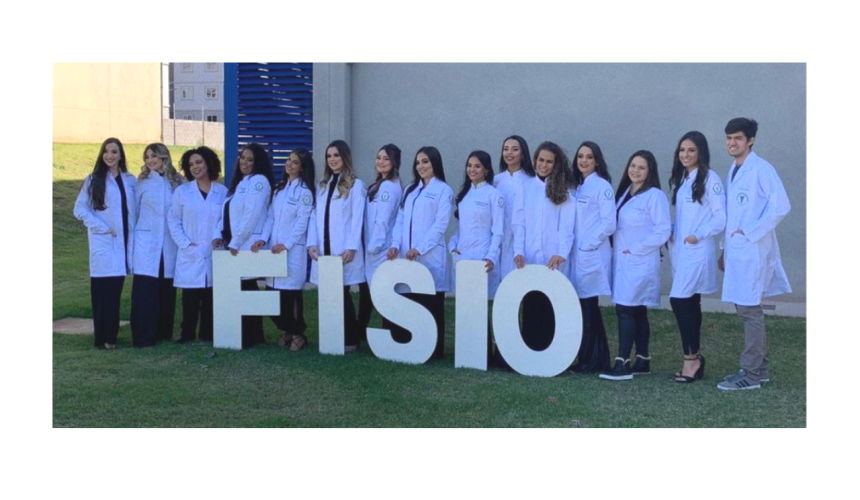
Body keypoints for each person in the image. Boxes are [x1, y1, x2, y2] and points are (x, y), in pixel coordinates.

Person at [717, 118, 791, 391]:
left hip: (752, 249)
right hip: (737, 250)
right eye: (729, 138)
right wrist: (724, 249)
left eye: (737, 138)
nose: (732, 143)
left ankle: (750, 374)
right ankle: (760, 368)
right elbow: (733, 212)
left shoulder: (762, 169)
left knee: (750, 310)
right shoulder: (734, 169)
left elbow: (781, 206)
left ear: (750, 140)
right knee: (744, 307)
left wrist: (749, 233)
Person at [599, 151, 671, 381]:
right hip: (624, 261)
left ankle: (622, 362)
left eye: (641, 167)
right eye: (633, 165)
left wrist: (637, 248)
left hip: (640, 260)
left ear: (650, 171)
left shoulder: (655, 196)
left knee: (626, 309)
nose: (635, 171)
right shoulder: (624, 193)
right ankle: (643, 360)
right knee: (637, 310)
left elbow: (663, 229)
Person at [668, 131, 726, 383]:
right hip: (681, 252)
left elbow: (720, 217)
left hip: (697, 250)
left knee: (679, 300)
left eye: (691, 150)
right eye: (682, 150)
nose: (685, 154)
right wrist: (673, 231)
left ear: (701, 152)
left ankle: (691, 359)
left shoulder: (710, 179)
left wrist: (697, 235)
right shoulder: (682, 180)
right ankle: (694, 359)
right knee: (691, 303)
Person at [388, 146, 454, 359]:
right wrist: (395, 244)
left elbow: (440, 225)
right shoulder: (410, 189)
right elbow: (400, 220)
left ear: (435, 163)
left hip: (429, 256)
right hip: (406, 256)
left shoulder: (444, 190)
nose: (421, 166)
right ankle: (409, 344)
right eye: (418, 162)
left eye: (425, 161)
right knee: (409, 299)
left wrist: (420, 248)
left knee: (431, 303)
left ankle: (434, 350)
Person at [512, 141, 576, 352]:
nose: (544, 165)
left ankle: (552, 352)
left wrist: (561, 253)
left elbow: (567, 227)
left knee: (552, 305)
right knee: (531, 303)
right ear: (535, 160)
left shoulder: (564, 191)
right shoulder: (525, 188)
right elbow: (518, 223)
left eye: (549, 162)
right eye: (541, 160)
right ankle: (530, 349)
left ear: (556, 164)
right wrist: (518, 251)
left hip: (553, 258)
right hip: (529, 256)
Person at [73, 138, 136, 350]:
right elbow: (79, 209)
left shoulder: (130, 180)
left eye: (114, 151)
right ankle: (102, 339)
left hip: (123, 243)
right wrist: (101, 227)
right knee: (102, 294)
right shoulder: (93, 180)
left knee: (114, 294)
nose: (110, 155)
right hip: (104, 242)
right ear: (102, 154)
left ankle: (110, 337)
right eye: (106, 151)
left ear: (121, 155)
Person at [213, 143, 274, 348]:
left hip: (246, 244)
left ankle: (253, 335)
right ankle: (245, 334)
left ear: (258, 163)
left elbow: (252, 214)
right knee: (241, 288)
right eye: (242, 158)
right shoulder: (239, 183)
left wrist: (237, 241)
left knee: (247, 288)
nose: (245, 163)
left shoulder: (259, 181)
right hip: (234, 243)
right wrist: (218, 235)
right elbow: (226, 214)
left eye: (250, 160)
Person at [308, 140, 366, 352]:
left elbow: (357, 218)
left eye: (336, 155)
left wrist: (352, 247)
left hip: (343, 250)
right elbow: (314, 216)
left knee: (342, 293)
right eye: (329, 156)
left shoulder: (355, 185)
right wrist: (311, 243)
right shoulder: (322, 185)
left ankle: (350, 339)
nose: (332, 159)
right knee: (329, 294)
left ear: (345, 157)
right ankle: (333, 336)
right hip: (324, 249)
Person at [256, 149, 315, 351]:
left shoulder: (305, 192)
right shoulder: (278, 189)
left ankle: (298, 333)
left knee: (290, 295)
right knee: (272, 293)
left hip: (292, 251)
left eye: (295, 162)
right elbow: (271, 217)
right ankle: (286, 329)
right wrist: (263, 239)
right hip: (274, 248)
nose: (289, 164)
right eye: (289, 160)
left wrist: (287, 244)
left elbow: (302, 222)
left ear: (303, 168)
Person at [168, 146, 228, 343]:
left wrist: (219, 236)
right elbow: (173, 220)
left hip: (214, 249)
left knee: (211, 294)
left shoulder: (222, 192)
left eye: (199, 162)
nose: (195, 167)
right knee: (190, 296)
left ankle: (207, 334)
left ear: (209, 163)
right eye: (191, 164)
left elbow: (225, 220)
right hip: (191, 250)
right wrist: (185, 244)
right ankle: (187, 334)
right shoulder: (182, 192)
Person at [130, 143, 184, 347]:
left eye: (154, 156)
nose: (150, 160)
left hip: (169, 242)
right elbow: (133, 213)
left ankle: (163, 333)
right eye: (147, 157)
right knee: (145, 290)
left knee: (166, 287)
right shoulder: (141, 183)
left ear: (164, 157)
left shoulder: (177, 182)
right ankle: (143, 336)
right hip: (146, 243)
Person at [568, 141, 615, 373]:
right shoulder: (578, 186)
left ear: (597, 161)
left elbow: (609, 223)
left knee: (588, 306)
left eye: (589, 157)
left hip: (591, 255)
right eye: (580, 156)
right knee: (584, 307)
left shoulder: (601, 186)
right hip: (578, 256)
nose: (584, 160)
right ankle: (592, 358)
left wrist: (588, 244)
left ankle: (592, 359)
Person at [358, 144, 403, 337]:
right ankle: (360, 331)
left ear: (394, 163)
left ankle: (388, 333)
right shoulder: (379, 184)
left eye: (386, 159)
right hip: (373, 248)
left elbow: (382, 220)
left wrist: (374, 246)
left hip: (379, 250)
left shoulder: (388, 187)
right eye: (378, 158)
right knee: (369, 294)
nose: (381, 162)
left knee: (382, 294)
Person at [449, 150, 504, 297]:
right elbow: (459, 228)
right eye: (469, 165)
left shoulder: (493, 194)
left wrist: (491, 257)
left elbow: (498, 230)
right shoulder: (464, 195)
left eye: (477, 166)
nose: (472, 169)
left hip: (484, 257)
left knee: (484, 302)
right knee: (464, 302)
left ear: (486, 170)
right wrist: (452, 247)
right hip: (462, 256)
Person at [493, 135, 535, 280]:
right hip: (500, 237)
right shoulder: (496, 181)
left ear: (523, 154)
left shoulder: (530, 181)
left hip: (522, 239)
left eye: (514, 149)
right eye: (506, 149)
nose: (509, 153)